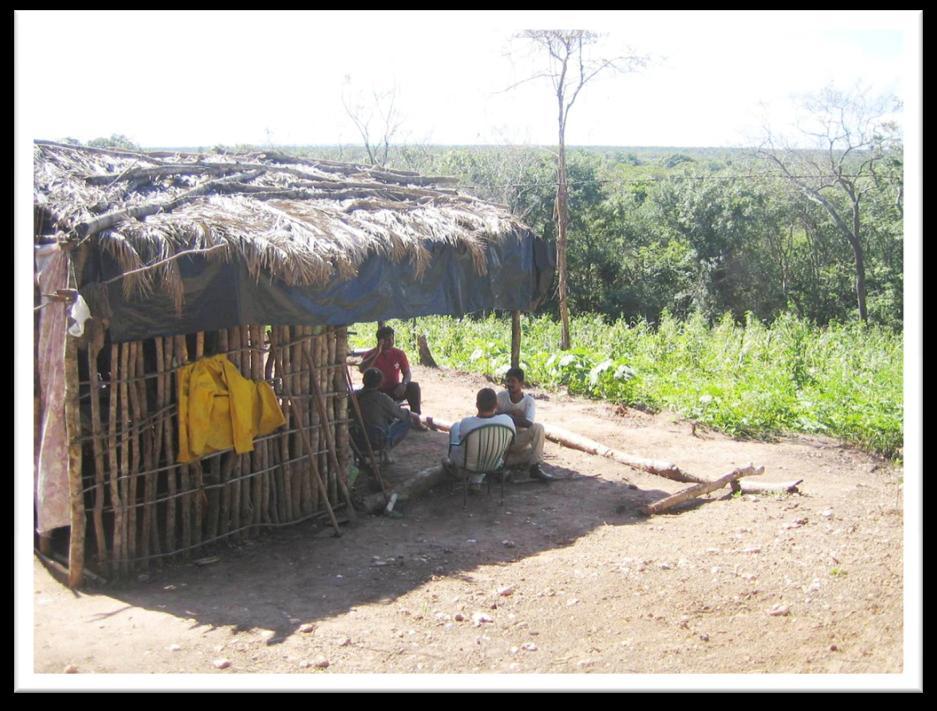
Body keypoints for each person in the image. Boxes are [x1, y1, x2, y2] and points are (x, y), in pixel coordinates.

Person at [443, 387, 515, 489]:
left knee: (456, 427)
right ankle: (476, 480)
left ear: (477, 405)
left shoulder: (467, 423)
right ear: (496, 405)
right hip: (494, 463)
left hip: (467, 464)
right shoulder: (507, 421)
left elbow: (460, 441)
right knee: (485, 449)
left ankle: (455, 468)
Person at [359, 325, 428, 430]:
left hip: (395, 390)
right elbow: (362, 369)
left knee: (413, 387)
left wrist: (403, 384)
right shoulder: (370, 354)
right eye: (387, 340)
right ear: (380, 341)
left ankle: (416, 418)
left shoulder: (399, 354)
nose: (391, 341)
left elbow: (407, 373)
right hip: (377, 392)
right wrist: (377, 353)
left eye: (392, 338)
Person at [496, 367, 548, 480]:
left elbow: (529, 423)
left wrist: (506, 417)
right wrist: (511, 414)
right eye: (508, 381)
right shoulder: (501, 396)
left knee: (539, 428)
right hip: (501, 441)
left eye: (513, 381)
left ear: (521, 384)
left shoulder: (529, 401)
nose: (509, 384)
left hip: (518, 440)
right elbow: (489, 414)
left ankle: (535, 468)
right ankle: (503, 464)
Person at [354, 368, 415, 456]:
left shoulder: (354, 396)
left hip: (356, 438)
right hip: (376, 440)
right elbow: (401, 414)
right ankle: (386, 447)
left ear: (363, 380)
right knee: (406, 419)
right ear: (380, 383)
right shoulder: (382, 398)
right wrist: (411, 414)